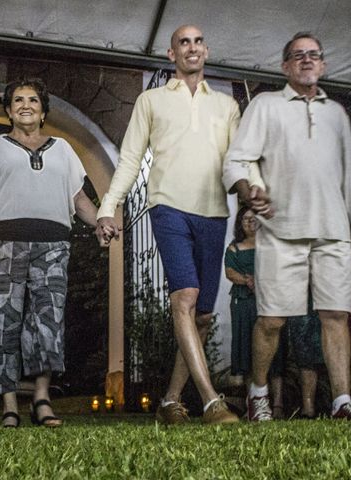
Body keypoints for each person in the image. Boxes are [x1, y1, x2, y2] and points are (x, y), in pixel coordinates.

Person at [223, 32, 351, 421]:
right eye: (297, 55)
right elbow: (236, 160)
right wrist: (246, 189)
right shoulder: (266, 105)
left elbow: (350, 176)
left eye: (313, 55)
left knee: (335, 315)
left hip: (333, 231)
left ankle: (341, 400)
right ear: (285, 65)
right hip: (280, 230)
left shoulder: (336, 113)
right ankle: (258, 395)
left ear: (323, 65)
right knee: (271, 320)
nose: (306, 60)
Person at [96, 25, 240, 424]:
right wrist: (109, 206)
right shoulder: (151, 101)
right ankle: (212, 402)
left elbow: (238, 161)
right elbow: (129, 159)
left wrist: (256, 192)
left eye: (197, 41)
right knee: (185, 297)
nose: (191, 47)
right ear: (171, 54)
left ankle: (169, 401)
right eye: (183, 42)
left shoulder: (226, 106)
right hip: (168, 207)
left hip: (214, 212)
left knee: (204, 316)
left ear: (206, 51)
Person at [0, 77, 100, 428]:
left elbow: (79, 199)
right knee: (0, 321)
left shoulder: (64, 149)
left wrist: (101, 222)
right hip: (1, 242)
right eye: (18, 100)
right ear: (8, 110)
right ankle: (8, 405)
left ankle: (42, 400)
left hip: (52, 245)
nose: (25, 105)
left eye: (33, 100)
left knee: (46, 322)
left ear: (43, 109)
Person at [226, 207, 323, 419]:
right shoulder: (236, 247)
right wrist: (249, 280)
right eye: (246, 219)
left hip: (285, 297)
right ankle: (257, 402)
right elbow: (230, 270)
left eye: (254, 219)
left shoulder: (276, 242)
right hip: (251, 301)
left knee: (284, 353)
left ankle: (284, 406)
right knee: (254, 350)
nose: (251, 223)